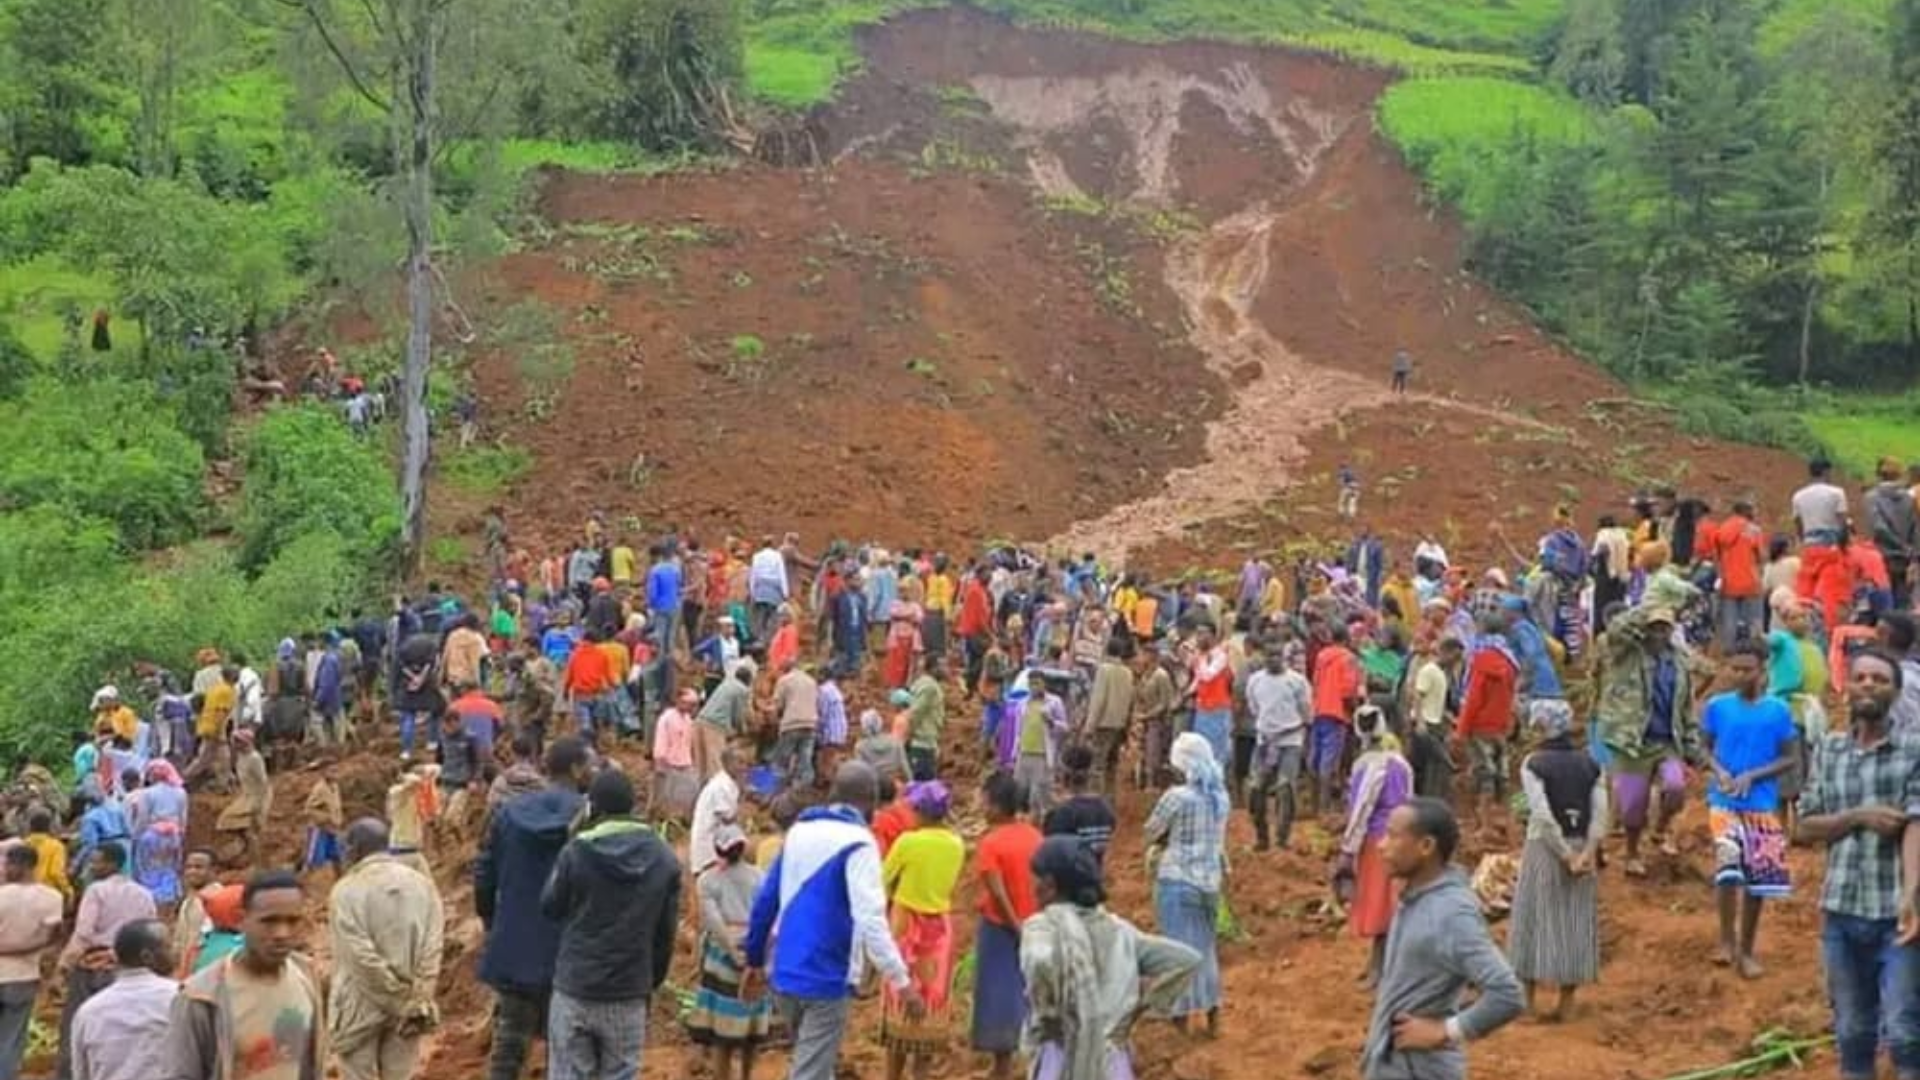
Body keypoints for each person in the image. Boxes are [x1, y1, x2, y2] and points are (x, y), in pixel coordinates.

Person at [743, 762, 921, 1080]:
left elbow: (766, 901)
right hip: (826, 975)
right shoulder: (859, 843)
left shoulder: (799, 832)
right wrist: (901, 981)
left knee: (814, 1062)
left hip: (784, 972)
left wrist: (754, 958)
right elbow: (871, 919)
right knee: (810, 1071)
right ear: (870, 804)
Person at [1799, 651, 1920, 1079]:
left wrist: (1910, 896)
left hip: (1897, 914)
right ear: (1846, 688)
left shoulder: (1913, 750)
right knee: (1852, 1031)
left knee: (1906, 1032)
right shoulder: (1830, 749)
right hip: (1841, 910)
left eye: (1880, 679)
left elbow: (1915, 825)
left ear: (1896, 691)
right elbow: (1805, 825)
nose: (1869, 684)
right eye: (1861, 677)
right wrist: (1859, 816)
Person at [1361, 798, 1523, 1079]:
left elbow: (1507, 993)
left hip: (1420, 1069)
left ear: (1426, 847)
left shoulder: (1450, 913)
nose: (1381, 844)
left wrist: (1445, 1031)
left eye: (1393, 836)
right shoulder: (1413, 896)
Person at [1019, 835, 1201, 1080]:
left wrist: (1049, 1009)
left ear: (1050, 884)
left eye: (1037, 878)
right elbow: (1187, 960)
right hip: (1112, 1060)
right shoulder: (1121, 931)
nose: (1034, 886)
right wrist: (1139, 1010)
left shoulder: (1044, 927)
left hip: (1063, 1058)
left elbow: (1039, 962)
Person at [542, 769, 681, 1080]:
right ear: (632, 807)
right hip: (629, 991)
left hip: (576, 987)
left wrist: (572, 835)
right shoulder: (664, 858)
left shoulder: (576, 851)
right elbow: (665, 934)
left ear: (593, 807)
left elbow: (550, 906)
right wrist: (649, 980)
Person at [475, 736, 591, 1080]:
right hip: (571, 950)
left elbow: (483, 876)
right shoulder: (588, 818)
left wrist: (493, 923)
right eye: (590, 765)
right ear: (576, 769)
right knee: (566, 1048)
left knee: (509, 1045)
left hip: (515, 945)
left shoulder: (509, 813)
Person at [161, 871, 325, 1080]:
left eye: (293, 921)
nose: (282, 933)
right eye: (269, 921)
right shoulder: (201, 997)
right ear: (241, 920)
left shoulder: (306, 976)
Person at [1702, 639, 1800, 978]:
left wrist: (1754, 775)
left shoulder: (1778, 711)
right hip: (1724, 800)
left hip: (1761, 804)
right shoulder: (1717, 706)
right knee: (1728, 867)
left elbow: (1788, 757)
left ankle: (1746, 948)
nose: (1739, 675)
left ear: (1763, 670)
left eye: (1747, 669)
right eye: (1734, 668)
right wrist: (1721, 772)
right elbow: (1705, 749)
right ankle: (1726, 940)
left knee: (1758, 880)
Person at [1508, 699, 1606, 1022]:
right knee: (1575, 921)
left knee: (1532, 918)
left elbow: (1542, 813)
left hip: (1544, 847)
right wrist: (1586, 853)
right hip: (1582, 849)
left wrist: (1564, 854)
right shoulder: (1591, 764)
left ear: (1539, 727)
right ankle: (1566, 1003)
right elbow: (1600, 813)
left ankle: (1528, 1001)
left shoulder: (1534, 763)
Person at [329, 819, 444, 1080]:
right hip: (410, 1004)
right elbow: (432, 947)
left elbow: (359, 957)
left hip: (359, 1005)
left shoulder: (345, 891)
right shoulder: (423, 885)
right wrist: (416, 996)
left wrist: (394, 997)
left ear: (355, 848)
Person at [1596, 605, 1697, 877]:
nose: (1659, 634)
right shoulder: (1626, 654)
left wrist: (1691, 742)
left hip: (1667, 739)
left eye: (1664, 628)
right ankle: (1631, 852)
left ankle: (1660, 829)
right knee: (1632, 807)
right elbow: (1616, 629)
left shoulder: (1679, 662)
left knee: (1675, 788)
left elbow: (1685, 704)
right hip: (1633, 741)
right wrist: (1647, 606)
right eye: (1653, 627)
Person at [879, 782, 967, 1080]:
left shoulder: (908, 842)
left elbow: (883, 877)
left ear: (921, 811)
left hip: (906, 926)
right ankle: (922, 1073)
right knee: (931, 1003)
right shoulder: (956, 844)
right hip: (939, 929)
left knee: (900, 1003)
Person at [1144, 733, 1228, 1036]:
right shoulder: (1219, 797)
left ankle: (1179, 1019)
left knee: (1177, 950)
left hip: (1177, 880)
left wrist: (1164, 840)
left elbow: (1151, 831)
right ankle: (1213, 1011)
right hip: (1210, 881)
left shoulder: (1176, 797)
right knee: (1206, 948)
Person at [59, 843, 157, 1080]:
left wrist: (64, 964)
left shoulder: (96, 890)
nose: (92, 866)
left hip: (92, 968)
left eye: (97, 861)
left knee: (76, 1028)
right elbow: (150, 929)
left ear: (113, 864)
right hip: (126, 967)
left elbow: (83, 933)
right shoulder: (144, 893)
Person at [687, 824, 772, 1080]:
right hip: (755, 954)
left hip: (721, 961)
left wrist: (733, 953)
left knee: (721, 1035)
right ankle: (746, 1075)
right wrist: (753, 955)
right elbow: (767, 916)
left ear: (717, 850)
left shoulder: (708, 880)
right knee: (750, 1031)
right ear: (743, 847)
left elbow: (714, 922)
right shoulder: (759, 877)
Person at [972, 773, 1042, 1080]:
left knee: (998, 996)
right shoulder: (1034, 836)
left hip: (1001, 928)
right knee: (1025, 991)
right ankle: (1019, 1062)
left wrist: (1015, 925)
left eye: (984, 800)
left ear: (998, 806)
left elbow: (997, 891)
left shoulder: (990, 843)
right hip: (1034, 923)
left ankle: (1001, 1068)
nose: (980, 805)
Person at [1338, 707, 1413, 987]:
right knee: (1392, 901)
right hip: (1404, 836)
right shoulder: (1401, 763)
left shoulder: (1367, 765)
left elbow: (1361, 810)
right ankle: (1381, 965)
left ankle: (1380, 969)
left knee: (1380, 904)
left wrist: (1348, 848)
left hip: (1377, 840)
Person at [68, 918, 177, 1080]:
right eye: (169, 946)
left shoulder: (88, 1012)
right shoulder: (178, 998)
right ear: (147, 957)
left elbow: (81, 1072)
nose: (177, 950)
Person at [0, 845, 63, 1080]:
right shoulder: (52, 897)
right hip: (24, 974)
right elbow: (53, 938)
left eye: (8, 864)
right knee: (12, 1037)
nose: (5, 869)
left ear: (22, 866)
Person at [1244, 644, 1311, 851]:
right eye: (1269, 655)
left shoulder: (1297, 681)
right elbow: (1254, 707)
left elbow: (1306, 712)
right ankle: (1261, 838)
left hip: (1290, 740)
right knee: (1255, 789)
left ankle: (1282, 839)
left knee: (1285, 788)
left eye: (1277, 655)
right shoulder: (1255, 680)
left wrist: (1300, 736)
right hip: (1264, 741)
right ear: (1264, 657)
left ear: (1284, 658)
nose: (1273, 659)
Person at [1455, 614, 1518, 836]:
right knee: (1501, 774)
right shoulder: (1510, 661)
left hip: (1480, 726)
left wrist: (1462, 729)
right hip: (1500, 725)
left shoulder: (1481, 660)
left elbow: (1473, 698)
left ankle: (1485, 825)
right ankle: (1507, 822)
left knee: (1484, 774)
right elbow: (1512, 696)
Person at [1795, 457, 1854, 634]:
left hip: (1809, 549)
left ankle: (1802, 629)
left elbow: (1799, 526)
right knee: (1830, 596)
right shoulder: (1836, 493)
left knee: (1805, 594)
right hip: (1831, 550)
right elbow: (1843, 524)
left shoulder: (1798, 496)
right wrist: (1843, 549)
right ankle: (1828, 635)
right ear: (1826, 472)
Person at [1309, 623, 1363, 816]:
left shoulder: (1322, 656)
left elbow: (1315, 682)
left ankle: (1314, 804)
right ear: (1346, 639)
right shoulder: (1349, 659)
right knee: (1330, 762)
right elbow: (1348, 691)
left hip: (1318, 710)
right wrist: (1356, 711)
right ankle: (1324, 808)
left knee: (1315, 757)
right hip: (1337, 713)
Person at [1705, 500, 1767, 650]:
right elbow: (1761, 557)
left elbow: (1715, 556)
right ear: (1746, 511)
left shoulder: (1721, 530)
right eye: (1753, 510)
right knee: (1754, 619)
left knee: (1729, 620)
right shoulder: (1753, 530)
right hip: (1750, 582)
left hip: (1728, 582)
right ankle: (1754, 649)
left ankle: (1729, 651)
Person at [127, 759, 189, 905]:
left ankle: (151, 897)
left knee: (148, 868)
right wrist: (180, 836)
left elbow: (142, 817)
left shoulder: (147, 793)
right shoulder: (180, 793)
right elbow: (183, 818)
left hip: (152, 834)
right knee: (169, 866)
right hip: (173, 835)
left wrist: (135, 836)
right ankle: (169, 896)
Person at [1867, 458, 1920, 611]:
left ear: (1879, 474)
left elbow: (1878, 528)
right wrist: (1912, 552)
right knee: (1904, 599)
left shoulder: (1872, 498)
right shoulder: (1908, 498)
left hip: (1881, 555)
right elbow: (1915, 528)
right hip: (1904, 557)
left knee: (1884, 602)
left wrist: (1897, 544)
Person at [214, 729, 272, 865]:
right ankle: (244, 849)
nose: (235, 745)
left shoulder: (254, 758)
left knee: (250, 831)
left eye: (237, 742)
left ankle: (256, 862)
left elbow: (263, 782)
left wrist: (258, 804)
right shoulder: (241, 757)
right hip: (246, 795)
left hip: (256, 796)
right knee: (229, 822)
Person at [1186, 623, 1234, 778]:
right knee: (1200, 750)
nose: (1198, 638)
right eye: (1197, 634)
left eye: (1202, 634)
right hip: (1202, 709)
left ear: (1213, 636)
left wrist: (1198, 659)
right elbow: (1198, 681)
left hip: (1217, 710)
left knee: (1216, 754)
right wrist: (1186, 694)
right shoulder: (1203, 656)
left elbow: (1208, 676)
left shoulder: (1220, 655)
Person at [696, 662, 755, 783]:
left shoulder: (726, 684)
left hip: (699, 720)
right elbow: (738, 714)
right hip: (715, 725)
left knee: (701, 763)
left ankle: (700, 792)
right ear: (749, 680)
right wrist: (743, 730)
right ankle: (717, 793)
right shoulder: (742, 690)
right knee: (715, 762)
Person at [691, 748, 746, 879]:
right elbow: (727, 818)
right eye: (740, 763)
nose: (744, 767)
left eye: (745, 763)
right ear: (727, 764)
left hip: (717, 837)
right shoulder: (720, 786)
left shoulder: (728, 783)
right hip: (709, 839)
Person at [769, 658, 821, 792]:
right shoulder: (811, 681)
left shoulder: (785, 680)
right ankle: (803, 792)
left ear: (784, 669)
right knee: (805, 760)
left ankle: (776, 791)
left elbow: (777, 705)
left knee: (781, 760)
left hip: (792, 724)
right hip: (810, 724)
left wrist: (773, 721)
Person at [652, 689, 701, 821]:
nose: (690, 707)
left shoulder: (688, 720)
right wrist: (660, 760)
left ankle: (684, 818)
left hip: (684, 762)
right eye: (688, 704)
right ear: (679, 701)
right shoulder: (666, 718)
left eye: (693, 705)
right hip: (668, 762)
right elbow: (661, 740)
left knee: (690, 791)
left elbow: (689, 743)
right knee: (664, 796)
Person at [1132, 649, 1177, 790]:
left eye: (1144, 654)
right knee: (1143, 752)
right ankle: (1143, 782)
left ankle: (1152, 784)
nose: (1140, 657)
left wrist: (1147, 715)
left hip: (1157, 721)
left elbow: (1164, 703)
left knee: (1153, 753)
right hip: (1145, 718)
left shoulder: (1161, 675)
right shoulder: (1145, 674)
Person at [172, 849, 216, 971]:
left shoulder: (216, 899)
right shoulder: (187, 901)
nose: (192, 871)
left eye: (198, 867)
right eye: (189, 867)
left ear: (213, 871)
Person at [905, 657, 948, 781]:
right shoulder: (930, 688)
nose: (946, 670)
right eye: (942, 666)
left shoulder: (922, 683)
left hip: (922, 742)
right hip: (923, 743)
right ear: (933, 668)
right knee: (924, 785)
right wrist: (909, 734)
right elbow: (915, 713)